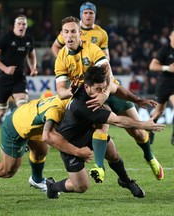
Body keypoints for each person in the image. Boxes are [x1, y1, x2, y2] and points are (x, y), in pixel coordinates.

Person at [54, 16, 164, 182]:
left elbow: (110, 80)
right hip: (89, 97)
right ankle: (99, 167)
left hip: (111, 92)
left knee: (139, 134)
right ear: (62, 34)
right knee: (101, 125)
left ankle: (150, 158)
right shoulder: (61, 58)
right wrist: (68, 92)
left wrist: (106, 95)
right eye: (66, 32)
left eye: (73, 32)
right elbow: (60, 90)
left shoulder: (93, 50)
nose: (69, 36)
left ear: (80, 33)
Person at [44, 65, 165, 199]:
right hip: (71, 143)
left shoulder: (91, 86)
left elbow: (115, 88)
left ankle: (125, 181)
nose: (101, 93)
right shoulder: (82, 106)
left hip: (88, 134)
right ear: (86, 87)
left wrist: (136, 100)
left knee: (113, 154)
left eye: (103, 89)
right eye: (97, 89)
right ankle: (52, 186)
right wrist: (143, 125)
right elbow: (117, 121)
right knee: (81, 186)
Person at [0, 14, 38, 149]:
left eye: (24, 24)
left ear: (26, 26)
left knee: (23, 108)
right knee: (1, 111)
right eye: (19, 24)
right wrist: (5, 68)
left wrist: (33, 68)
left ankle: (23, 139)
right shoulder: (6, 38)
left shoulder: (28, 39)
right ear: (14, 26)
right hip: (3, 79)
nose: (21, 26)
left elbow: (31, 55)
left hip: (19, 78)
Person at [148, 28, 174, 145]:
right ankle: (150, 131)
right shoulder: (165, 50)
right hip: (164, 84)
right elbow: (152, 66)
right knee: (158, 112)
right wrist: (167, 68)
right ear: (170, 37)